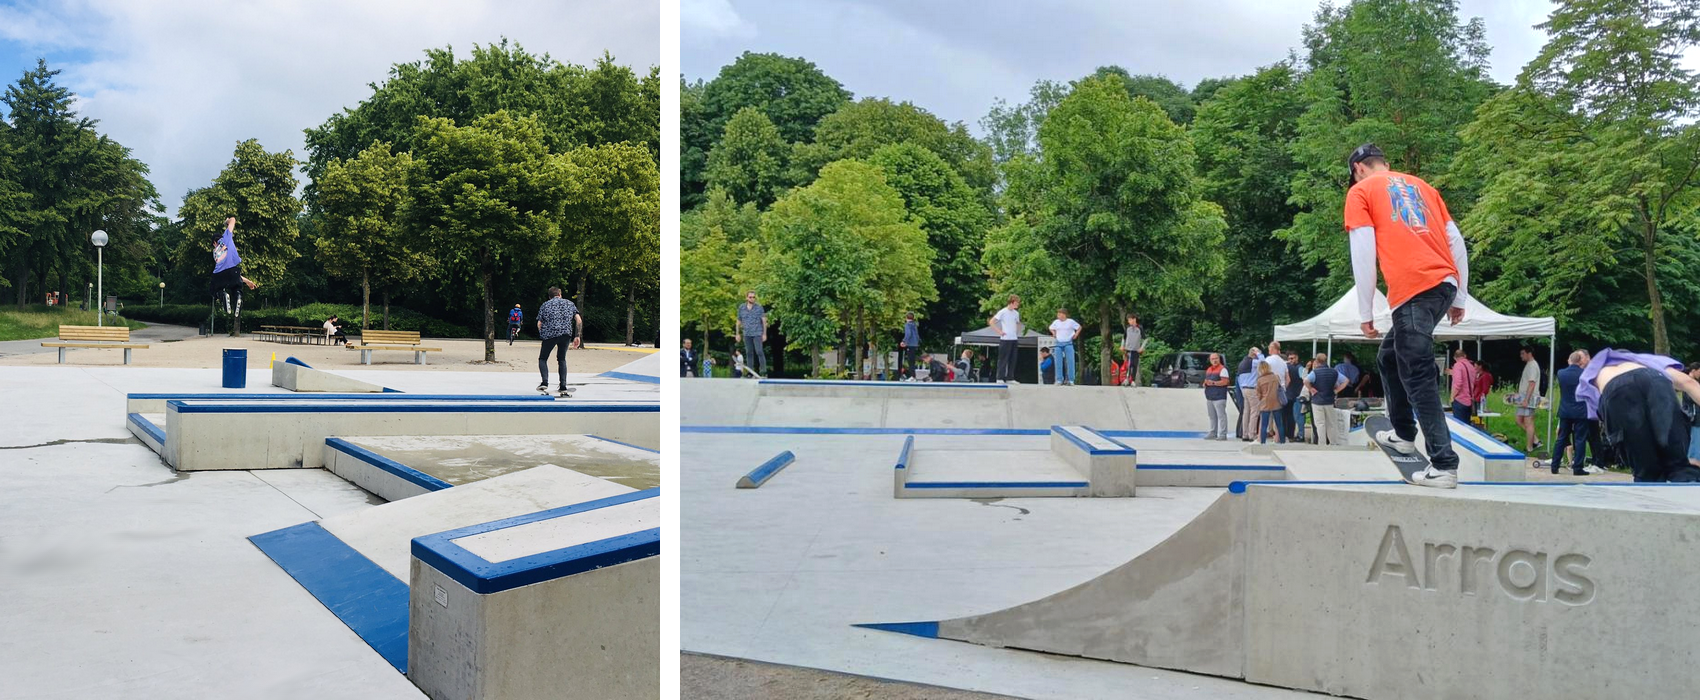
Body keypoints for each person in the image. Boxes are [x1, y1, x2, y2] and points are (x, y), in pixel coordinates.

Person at [1345, 143, 1469, 488]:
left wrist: (1366, 311)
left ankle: (1444, 464)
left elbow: (1363, 250)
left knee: (1416, 371)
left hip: (1413, 288)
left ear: (1359, 169)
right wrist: (1459, 295)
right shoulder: (1424, 187)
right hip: (1443, 284)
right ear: (1383, 163)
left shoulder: (1361, 192)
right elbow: (1455, 241)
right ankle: (1402, 432)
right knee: (1388, 357)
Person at [1576, 348, 1700, 482]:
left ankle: (1649, 483)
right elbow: (1689, 383)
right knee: (1678, 464)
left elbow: (1601, 418)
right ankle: (1685, 480)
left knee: (1646, 468)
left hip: (1615, 390)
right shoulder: (1644, 361)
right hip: (1655, 379)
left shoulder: (1594, 372)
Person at [209, 217, 258, 334]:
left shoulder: (216, 251)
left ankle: (222, 295)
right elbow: (233, 220)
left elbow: (224, 271)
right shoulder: (227, 236)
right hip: (233, 271)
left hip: (219, 274)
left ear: (214, 243)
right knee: (236, 286)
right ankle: (238, 297)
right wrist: (227, 222)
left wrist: (248, 281)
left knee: (214, 289)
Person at [1549, 350, 1590, 476]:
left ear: (1569, 360)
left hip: (1565, 410)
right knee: (1579, 439)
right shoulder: (1585, 374)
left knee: (1561, 438)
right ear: (1580, 361)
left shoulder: (1561, 373)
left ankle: (1554, 466)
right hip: (1581, 411)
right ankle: (1577, 468)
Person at [534, 287, 582, 394]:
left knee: (543, 359)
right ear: (560, 294)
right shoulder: (570, 304)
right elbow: (578, 320)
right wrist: (577, 336)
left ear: (549, 296)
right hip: (565, 334)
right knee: (561, 359)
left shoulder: (545, 305)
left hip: (549, 335)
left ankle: (544, 382)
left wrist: (543, 335)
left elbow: (539, 323)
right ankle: (563, 386)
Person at [1306, 353, 1349, 446]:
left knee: (1320, 424)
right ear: (1326, 361)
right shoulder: (1334, 372)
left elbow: (1305, 380)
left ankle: (1322, 444)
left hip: (1317, 401)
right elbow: (1346, 381)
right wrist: (1337, 390)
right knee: (1331, 423)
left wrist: (1311, 389)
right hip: (1329, 400)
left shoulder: (1314, 372)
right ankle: (1333, 443)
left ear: (1317, 361)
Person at [988, 295, 1023, 383]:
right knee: (1003, 358)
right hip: (1005, 338)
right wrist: (999, 331)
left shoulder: (1016, 313)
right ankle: (1000, 377)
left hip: (1014, 338)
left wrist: (1016, 332)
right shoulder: (1003, 312)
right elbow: (991, 322)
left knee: (1013, 359)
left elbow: (1018, 323)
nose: (1018, 304)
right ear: (1012, 302)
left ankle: (1010, 378)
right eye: (1016, 303)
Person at [1515, 347, 1543, 451]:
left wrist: (1526, 400)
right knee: (1518, 420)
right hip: (1523, 397)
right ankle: (1535, 440)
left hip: (1530, 398)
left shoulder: (1532, 365)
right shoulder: (1529, 365)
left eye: (1523, 353)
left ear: (1529, 353)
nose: (1521, 356)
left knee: (1528, 422)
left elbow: (1532, 384)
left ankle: (1529, 447)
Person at [735, 291, 769, 378]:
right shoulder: (742, 308)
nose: (752, 299)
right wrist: (737, 333)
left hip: (757, 333)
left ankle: (763, 371)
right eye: (750, 297)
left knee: (759, 351)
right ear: (746, 298)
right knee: (749, 352)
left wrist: (764, 334)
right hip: (747, 334)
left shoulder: (759, 307)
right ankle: (750, 372)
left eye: (754, 297)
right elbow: (739, 321)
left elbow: (764, 321)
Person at [1202, 353, 1232, 441]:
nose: (1214, 360)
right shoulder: (1209, 369)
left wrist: (1213, 383)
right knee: (1212, 416)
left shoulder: (1223, 369)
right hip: (1210, 396)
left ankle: (1223, 434)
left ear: (1219, 359)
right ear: (1210, 360)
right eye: (1212, 359)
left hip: (1219, 396)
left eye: (1216, 358)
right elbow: (1206, 380)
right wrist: (1205, 383)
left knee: (1221, 416)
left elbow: (1225, 382)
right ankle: (1213, 432)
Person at [1049, 308, 1082, 386]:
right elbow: (1050, 328)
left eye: (1059, 314)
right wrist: (1053, 333)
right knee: (1058, 362)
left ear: (1064, 314)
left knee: (1070, 361)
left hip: (1068, 343)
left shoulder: (1070, 322)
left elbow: (1079, 327)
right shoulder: (1056, 322)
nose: (1058, 316)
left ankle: (1071, 380)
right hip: (1059, 343)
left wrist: (1076, 335)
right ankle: (1059, 379)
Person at [1449, 349, 1482, 423]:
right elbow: (1473, 381)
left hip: (1460, 400)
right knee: (1466, 425)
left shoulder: (1457, 365)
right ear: (1465, 356)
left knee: (1459, 426)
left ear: (1455, 358)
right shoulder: (1471, 366)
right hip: (1470, 400)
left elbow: (1458, 383)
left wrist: (1452, 397)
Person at [1255, 362, 1284, 445]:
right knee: (1279, 424)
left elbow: (1258, 394)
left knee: (1264, 425)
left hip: (1265, 403)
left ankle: (1263, 442)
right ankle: (1282, 442)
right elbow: (1279, 388)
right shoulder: (1276, 377)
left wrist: (1262, 398)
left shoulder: (1260, 380)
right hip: (1276, 402)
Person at [1285, 351, 1305, 441]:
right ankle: (1291, 435)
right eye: (1289, 358)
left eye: (1292, 358)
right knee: (1292, 416)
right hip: (1292, 394)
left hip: (1296, 395)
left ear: (1297, 358)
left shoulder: (1299, 368)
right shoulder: (1298, 368)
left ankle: (1298, 435)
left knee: (1297, 416)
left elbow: (1305, 380)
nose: (1290, 360)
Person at [1121, 314, 1145, 386]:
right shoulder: (1128, 328)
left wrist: (1142, 347)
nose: (1128, 321)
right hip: (1128, 349)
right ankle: (1127, 379)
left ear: (1134, 319)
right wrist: (1122, 346)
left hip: (1136, 349)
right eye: (1128, 320)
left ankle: (1132, 380)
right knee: (1129, 364)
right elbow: (1124, 337)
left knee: (1134, 365)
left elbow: (1145, 339)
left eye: (1129, 320)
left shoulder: (1140, 328)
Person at [901, 312, 920, 379]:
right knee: (912, 361)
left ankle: (912, 376)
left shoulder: (908, 325)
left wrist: (904, 341)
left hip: (910, 344)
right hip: (915, 344)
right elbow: (917, 335)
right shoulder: (914, 325)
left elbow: (908, 334)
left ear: (906, 318)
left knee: (910, 361)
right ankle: (913, 376)